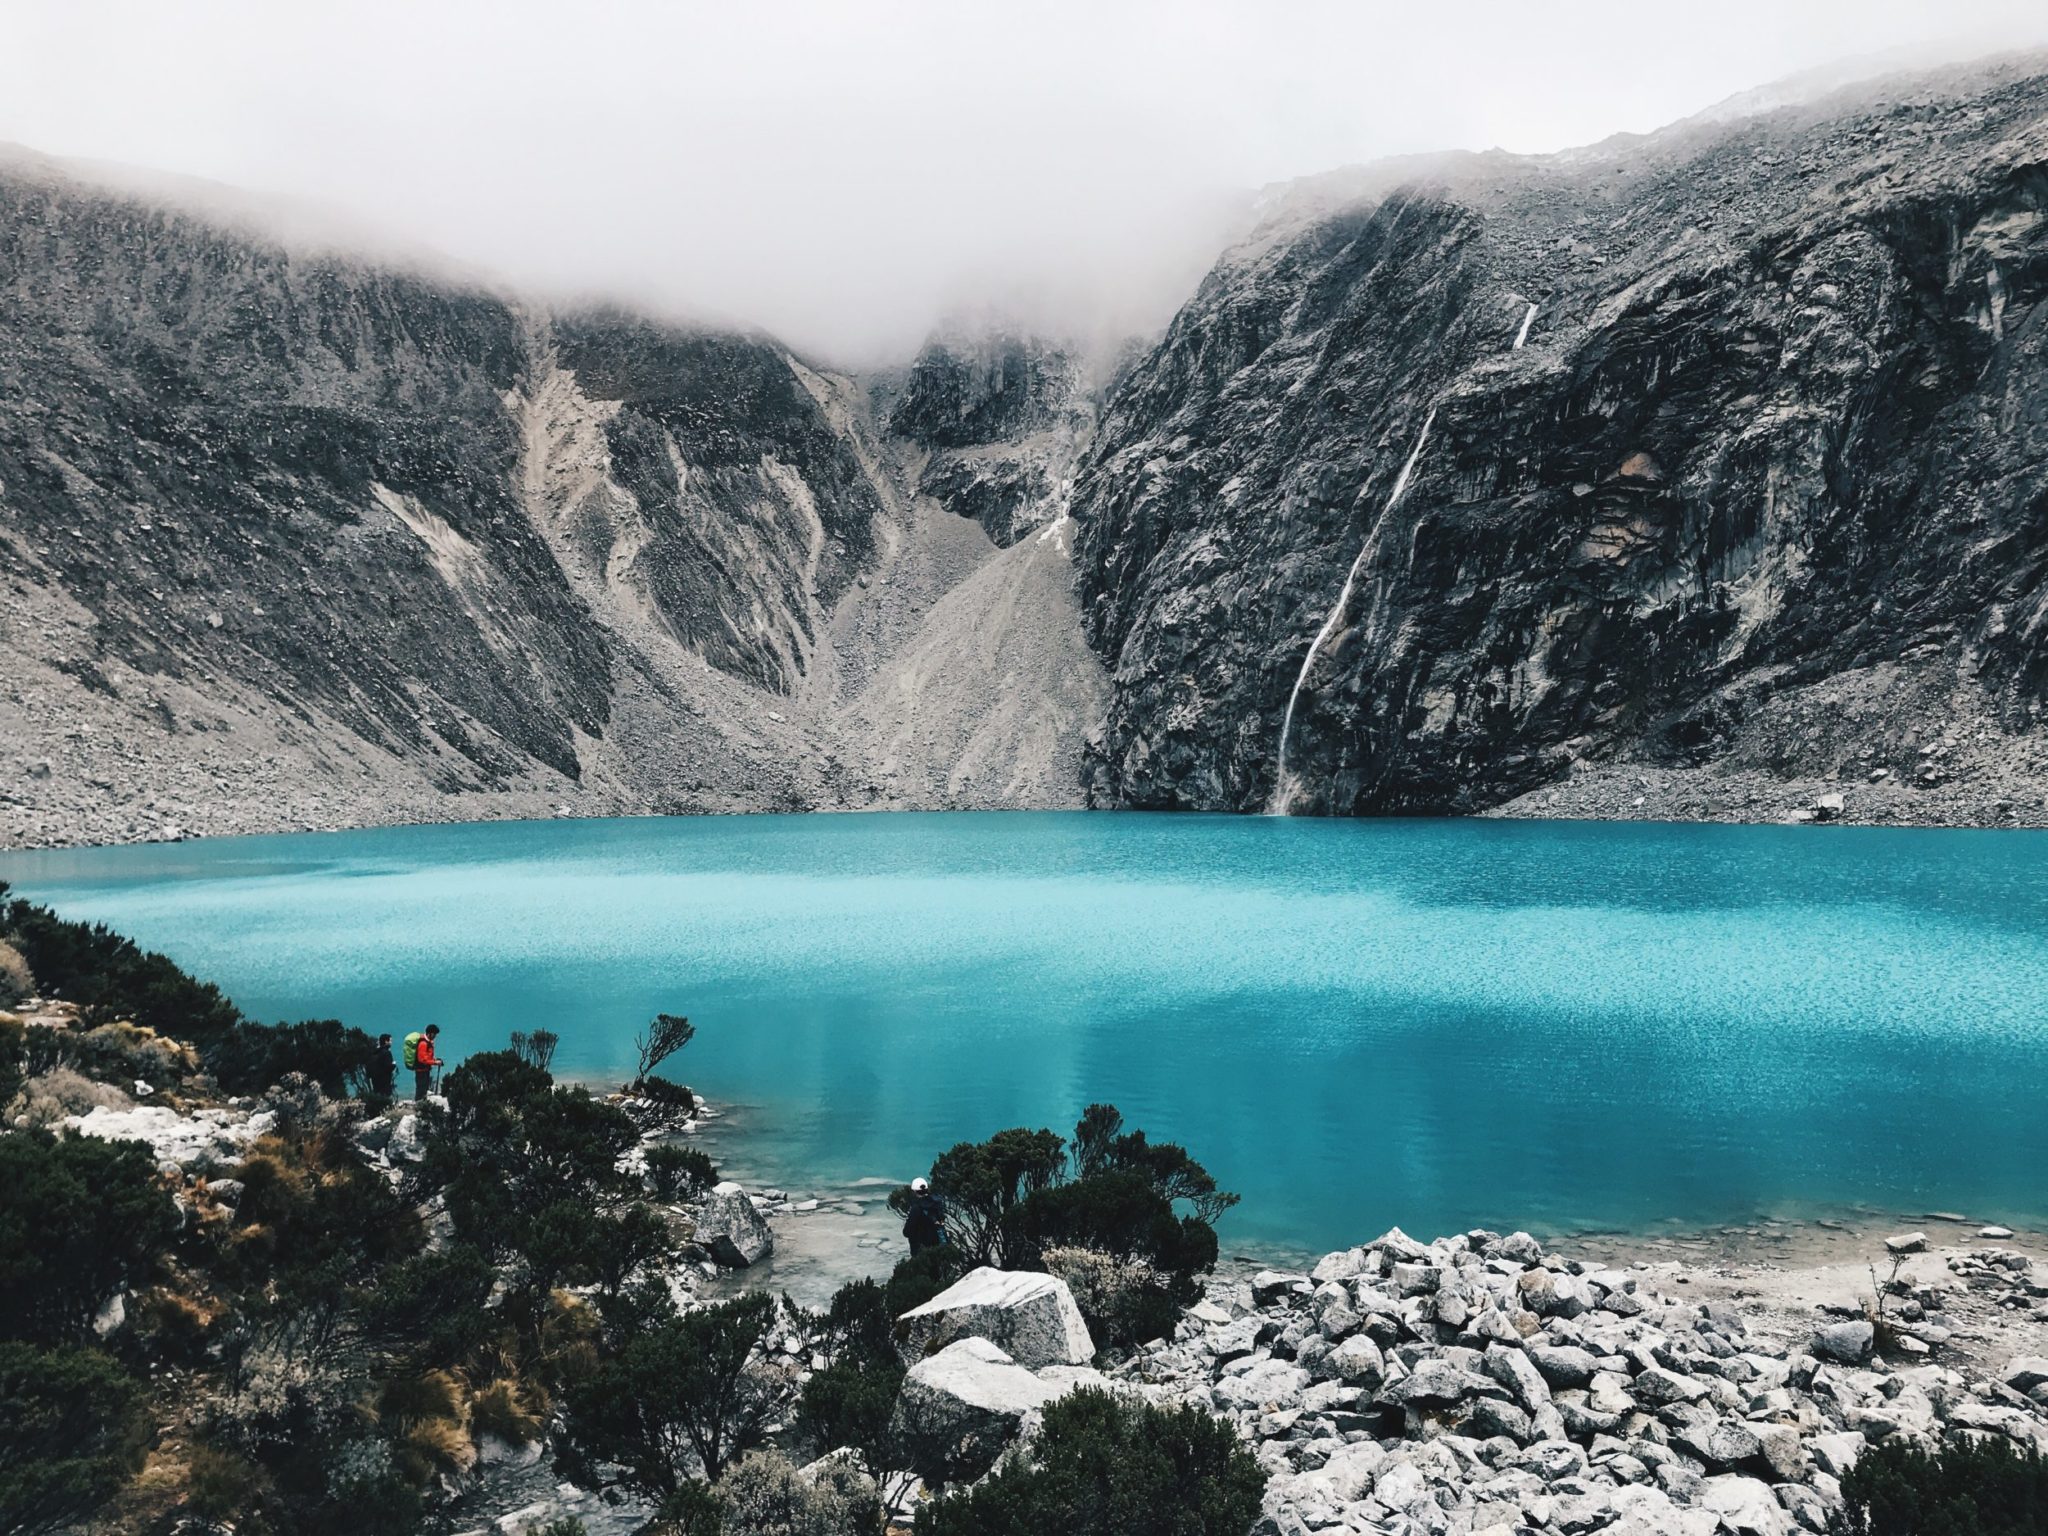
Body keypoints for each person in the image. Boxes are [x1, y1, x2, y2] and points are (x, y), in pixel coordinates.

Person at [902, 1176, 947, 1257]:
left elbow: (907, 1232)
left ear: (914, 1191)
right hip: (938, 1249)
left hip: (921, 1252)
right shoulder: (937, 1203)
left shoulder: (916, 1208)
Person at [403, 1024, 443, 1102]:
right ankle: (418, 1106)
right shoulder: (423, 1044)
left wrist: (434, 1060)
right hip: (421, 1071)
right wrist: (435, 1062)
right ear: (429, 1033)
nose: (435, 1036)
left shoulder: (427, 1042)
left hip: (425, 1070)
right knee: (421, 1090)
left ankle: (421, 1105)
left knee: (423, 1090)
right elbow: (422, 1059)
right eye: (434, 1034)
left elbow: (426, 1057)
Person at [369, 1033, 396, 1099]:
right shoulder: (386, 1052)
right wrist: (393, 1065)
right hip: (385, 1079)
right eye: (390, 1041)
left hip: (375, 1078)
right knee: (385, 1095)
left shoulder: (376, 1052)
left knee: (377, 1094)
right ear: (386, 1041)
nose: (391, 1043)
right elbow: (388, 1067)